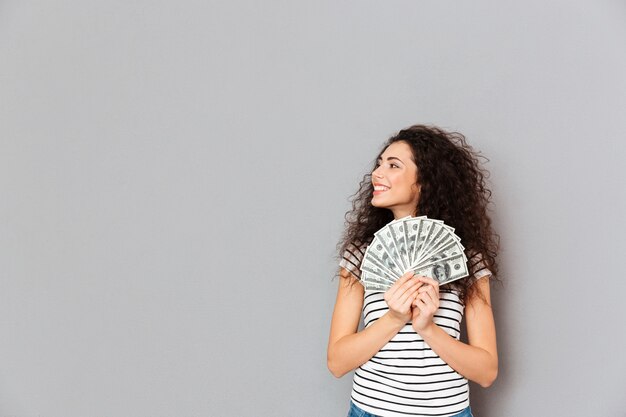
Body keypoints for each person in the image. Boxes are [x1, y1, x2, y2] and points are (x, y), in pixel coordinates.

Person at [327, 125, 499, 417]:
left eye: (393, 165)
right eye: (379, 164)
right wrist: (394, 318)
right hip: (371, 411)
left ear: (425, 182)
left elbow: (486, 372)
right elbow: (337, 362)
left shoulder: (468, 260)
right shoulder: (360, 255)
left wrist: (427, 328)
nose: (377, 174)